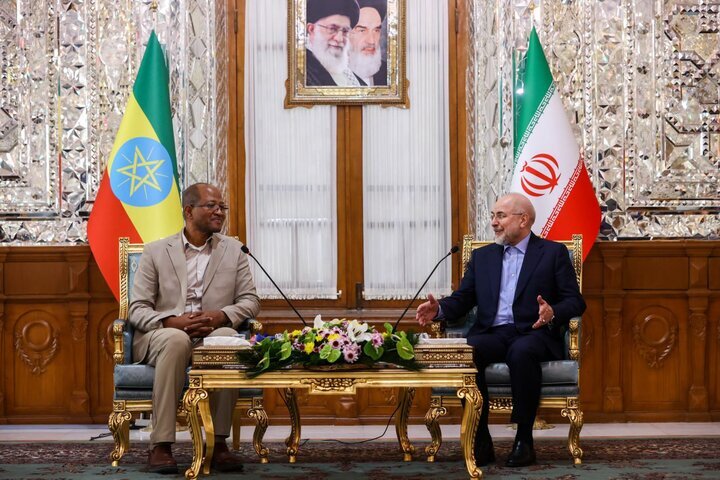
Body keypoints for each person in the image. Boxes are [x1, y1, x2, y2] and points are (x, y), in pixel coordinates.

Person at [415, 192, 585, 468]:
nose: (494, 222)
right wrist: (440, 309)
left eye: (501, 216)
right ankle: (480, 438)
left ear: (523, 220)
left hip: (534, 333)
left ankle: (524, 440)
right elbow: (464, 298)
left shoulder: (552, 253)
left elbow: (575, 301)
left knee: (521, 352)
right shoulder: (482, 257)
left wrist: (552, 311)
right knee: (469, 352)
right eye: (493, 216)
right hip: (493, 333)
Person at [129, 182, 260, 474]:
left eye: (222, 207)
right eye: (211, 206)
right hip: (163, 335)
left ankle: (218, 443)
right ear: (189, 211)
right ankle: (161, 445)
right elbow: (137, 308)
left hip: (211, 332)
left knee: (227, 340)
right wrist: (171, 321)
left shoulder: (234, 250)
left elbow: (250, 301)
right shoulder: (156, 251)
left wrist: (221, 316)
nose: (219, 212)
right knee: (176, 340)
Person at [306, 0, 366, 86]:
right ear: (311, 29)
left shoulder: (353, 78)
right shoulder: (301, 71)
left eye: (345, 31)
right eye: (332, 29)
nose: (339, 38)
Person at [349, 0, 387, 86]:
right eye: (362, 30)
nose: (371, 41)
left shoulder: (389, 73)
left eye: (376, 30)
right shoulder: (322, 76)